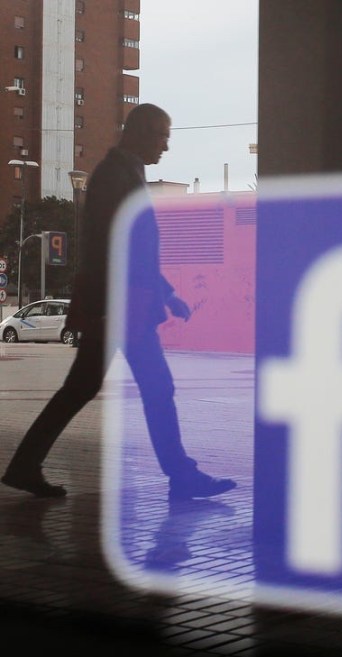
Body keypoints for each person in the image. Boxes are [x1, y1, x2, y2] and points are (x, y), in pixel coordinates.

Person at [2, 103, 236, 500]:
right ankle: (180, 475)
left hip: (120, 303)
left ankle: (25, 465)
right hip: (122, 306)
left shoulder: (125, 173)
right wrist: (117, 305)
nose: (166, 146)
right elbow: (113, 247)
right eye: (162, 136)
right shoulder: (115, 176)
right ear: (140, 132)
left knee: (83, 388)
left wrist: (167, 293)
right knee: (154, 388)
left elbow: (132, 248)